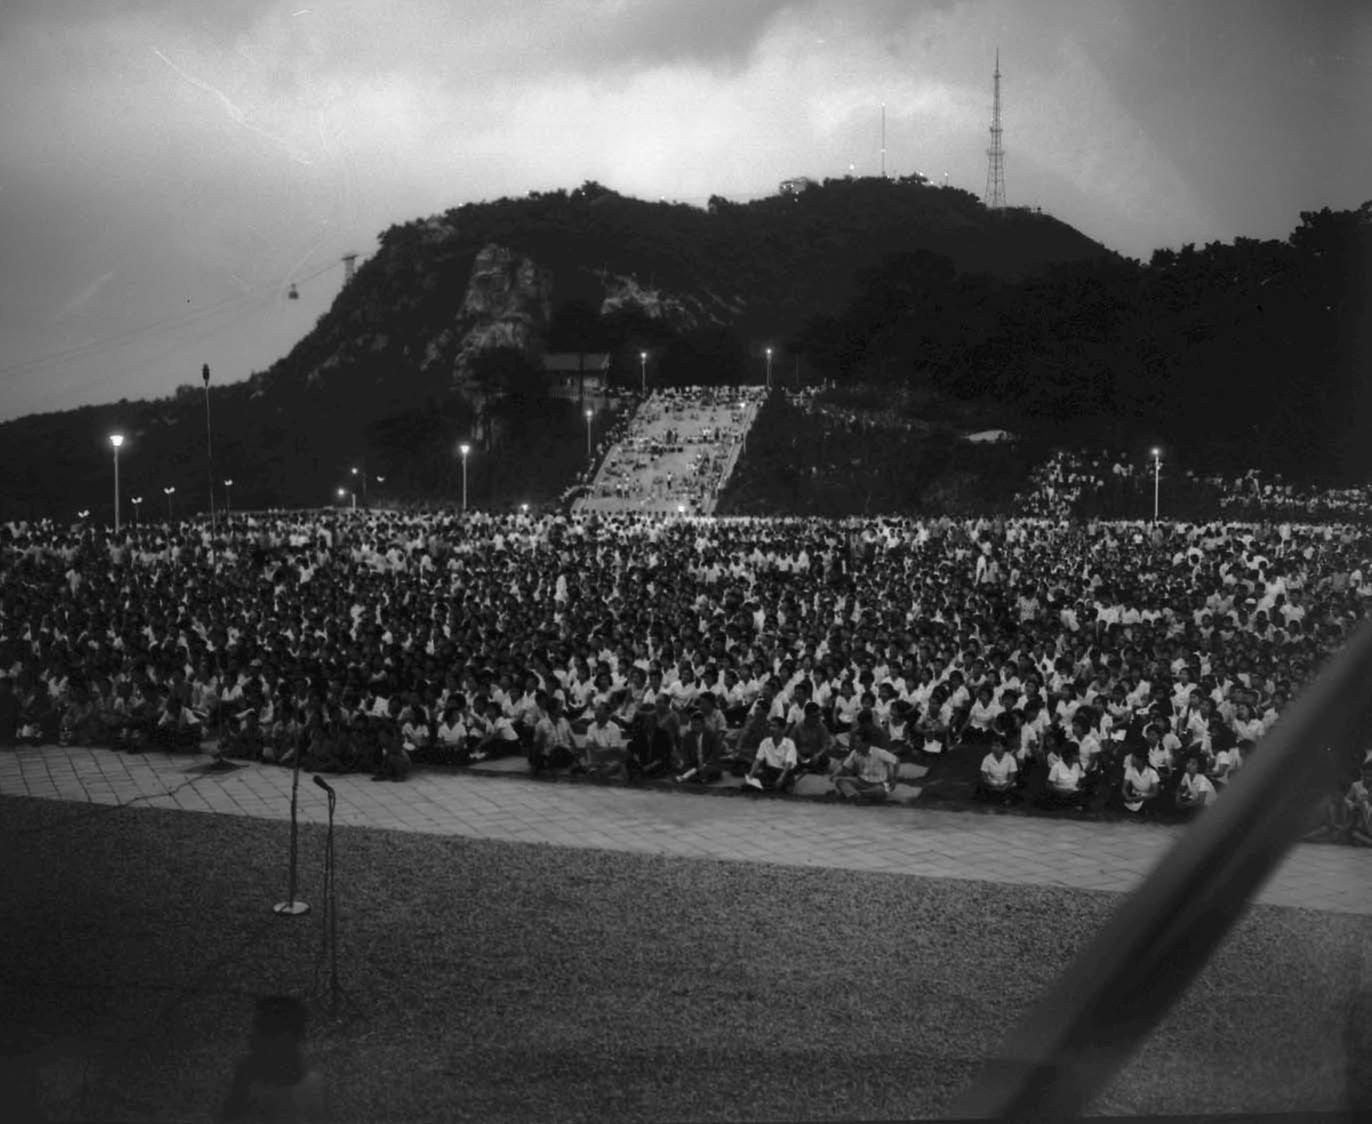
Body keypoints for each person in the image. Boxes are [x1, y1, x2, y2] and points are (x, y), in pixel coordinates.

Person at [220, 995, 327, 1123]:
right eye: (258, 1028)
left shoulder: (312, 1088)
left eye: (263, 1029)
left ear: (288, 1038)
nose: (251, 1038)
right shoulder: (247, 1080)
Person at [831, 727, 899, 801]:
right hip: (861, 781)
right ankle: (859, 796)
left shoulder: (879, 752)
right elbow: (845, 767)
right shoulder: (855, 752)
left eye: (858, 742)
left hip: (878, 784)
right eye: (855, 742)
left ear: (867, 743)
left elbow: (896, 761)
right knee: (840, 781)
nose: (855, 744)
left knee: (880, 791)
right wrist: (835, 774)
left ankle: (855, 795)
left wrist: (893, 778)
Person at [746, 715, 798, 792]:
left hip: (784, 772)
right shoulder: (765, 742)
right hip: (770, 771)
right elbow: (758, 760)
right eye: (770, 726)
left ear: (782, 729)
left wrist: (781, 778)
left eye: (774, 726)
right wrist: (750, 775)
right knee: (753, 782)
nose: (771, 729)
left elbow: (789, 763)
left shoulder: (789, 743)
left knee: (784, 787)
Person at [530, 696, 576, 774]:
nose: (562, 710)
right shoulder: (541, 724)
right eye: (560, 707)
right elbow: (536, 745)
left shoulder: (565, 721)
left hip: (566, 754)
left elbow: (572, 740)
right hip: (549, 756)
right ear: (553, 710)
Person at [977, 735, 1018, 802]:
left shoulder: (1010, 759)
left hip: (1005, 784)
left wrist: (1004, 787)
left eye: (998, 746)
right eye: (993, 746)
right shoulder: (987, 758)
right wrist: (993, 785)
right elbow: (984, 776)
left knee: (1012, 789)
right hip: (991, 783)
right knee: (982, 786)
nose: (994, 748)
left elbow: (1012, 778)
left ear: (1004, 748)